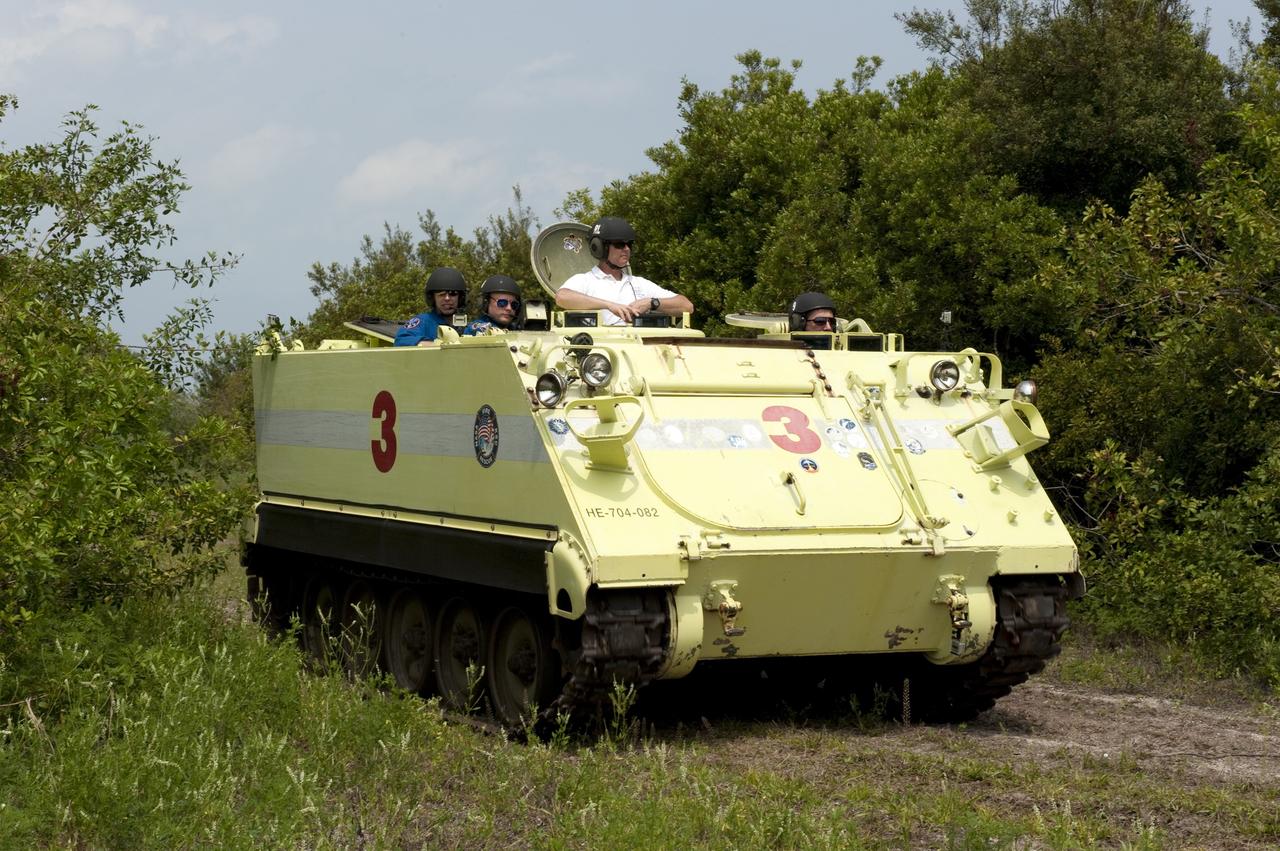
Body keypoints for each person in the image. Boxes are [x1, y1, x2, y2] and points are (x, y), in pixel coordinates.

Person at [556, 216, 693, 325]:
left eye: (629, 244)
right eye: (619, 244)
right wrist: (609, 305)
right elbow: (562, 297)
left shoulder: (639, 283)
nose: (626, 249)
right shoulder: (585, 280)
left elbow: (687, 306)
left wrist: (652, 303)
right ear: (599, 247)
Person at [394, 267, 467, 346]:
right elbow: (401, 341)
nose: (447, 298)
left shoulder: (466, 326)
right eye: (441, 295)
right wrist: (435, 346)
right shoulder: (423, 321)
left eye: (453, 294)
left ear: (460, 298)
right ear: (433, 298)